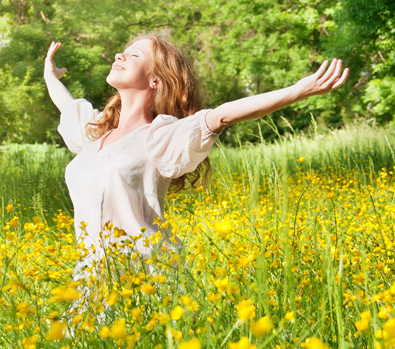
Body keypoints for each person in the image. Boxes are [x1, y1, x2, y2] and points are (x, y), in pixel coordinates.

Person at [44, 32, 348, 315]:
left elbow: (222, 115)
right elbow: (67, 106)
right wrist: (50, 74)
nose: (118, 56)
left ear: (155, 81)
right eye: (121, 52)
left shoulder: (160, 137)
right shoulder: (95, 136)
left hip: (145, 278)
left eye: (133, 55)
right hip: (92, 278)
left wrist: (296, 91)